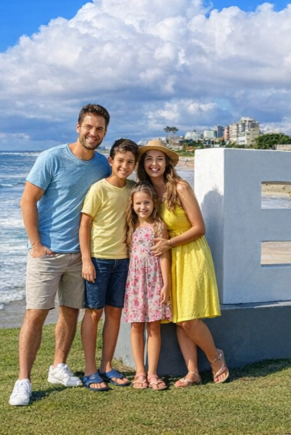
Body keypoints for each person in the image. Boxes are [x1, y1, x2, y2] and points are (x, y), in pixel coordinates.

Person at [9, 103, 112, 407]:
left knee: (71, 311)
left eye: (100, 129)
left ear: (105, 133)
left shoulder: (102, 165)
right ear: (78, 127)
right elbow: (27, 200)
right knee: (36, 314)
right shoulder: (51, 158)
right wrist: (36, 244)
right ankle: (23, 381)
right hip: (48, 253)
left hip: (81, 254)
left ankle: (58, 367)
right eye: (89, 127)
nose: (93, 133)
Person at [140, 139, 229, 386]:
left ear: (167, 162)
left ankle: (215, 358)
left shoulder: (179, 187)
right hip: (166, 259)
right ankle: (193, 372)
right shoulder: (146, 192)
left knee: (188, 317)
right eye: (148, 159)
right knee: (179, 316)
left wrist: (169, 244)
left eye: (159, 158)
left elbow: (200, 228)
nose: (154, 164)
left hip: (190, 253)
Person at [78, 138, 138, 392]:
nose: (125, 166)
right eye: (120, 161)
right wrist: (86, 260)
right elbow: (84, 225)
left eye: (130, 162)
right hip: (99, 260)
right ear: (111, 161)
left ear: (134, 166)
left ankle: (106, 365)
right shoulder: (98, 189)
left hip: (124, 261)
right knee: (94, 312)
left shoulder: (134, 189)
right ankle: (90, 370)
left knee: (115, 313)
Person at [123, 183, 172, 391]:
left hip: (154, 281)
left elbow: (163, 255)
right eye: (138, 203)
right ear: (132, 205)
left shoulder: (158, 226)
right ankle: (139, 372)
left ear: (154, 204)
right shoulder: (130, 226)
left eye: (146, 202)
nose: (142, 207)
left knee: (153, 326)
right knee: (136, 325)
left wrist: (166, 284)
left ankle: (152, 372)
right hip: (135, 282)